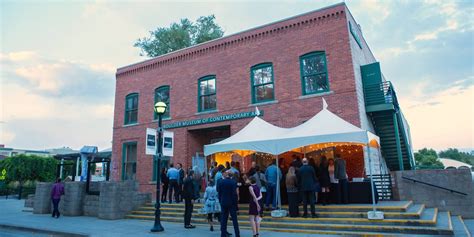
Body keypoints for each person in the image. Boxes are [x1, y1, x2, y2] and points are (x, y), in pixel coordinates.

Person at [217, 170, 240, 237]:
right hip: (231, 203)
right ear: (231, 175)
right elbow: (234, 194)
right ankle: (237, 234)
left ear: (227, 174)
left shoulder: (221, 182)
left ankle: (223, 234)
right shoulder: (233, 182)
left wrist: (220, 201)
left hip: (223, 202)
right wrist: (235, 204)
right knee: (234, 220)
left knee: (224, 219)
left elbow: (219, 192)